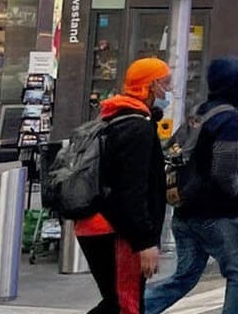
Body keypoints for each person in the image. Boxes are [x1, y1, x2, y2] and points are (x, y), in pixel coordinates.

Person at [146, 58, 238, 314]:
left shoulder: (200, 111)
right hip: (215, 213)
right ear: (236, 84)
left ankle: (134, 308)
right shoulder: (228, 118)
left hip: (185, 210)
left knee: (185, 276)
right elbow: (224, 170)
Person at [77, 57, 171, 314]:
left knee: (116, 302)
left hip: (100, 223)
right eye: (165, 83)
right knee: (126, 305)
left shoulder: (114, 116)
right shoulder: (137, 127)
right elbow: (132, 189)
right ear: (151, 86)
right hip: (116, 230)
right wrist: (144, 242)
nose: (169, 90)